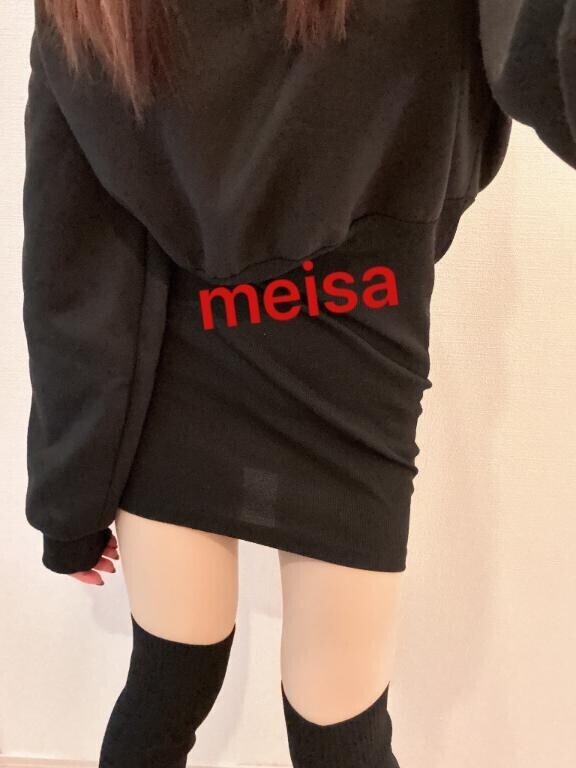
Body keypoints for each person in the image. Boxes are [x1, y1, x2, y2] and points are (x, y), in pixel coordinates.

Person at [21, 0, 576, 766]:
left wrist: (70, 501)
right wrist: (67, 502)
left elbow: (71, 267)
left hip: (266, 364)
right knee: (255, 703)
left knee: (222, 696)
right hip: (334, 341)